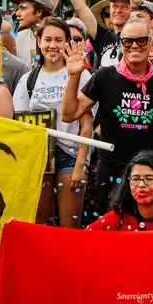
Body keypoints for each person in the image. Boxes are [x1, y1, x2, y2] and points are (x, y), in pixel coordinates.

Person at [60, 19, 153, 215]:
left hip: (149, 173)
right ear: (120, 44)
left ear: (151, 44)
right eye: (128, 41)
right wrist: (74, 76)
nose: (134, 46)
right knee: (111, 234)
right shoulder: (104, 76)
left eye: (141, 40)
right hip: (111, 171)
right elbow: (68, 114)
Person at [13, 16, 92, 228]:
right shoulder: (28, 79)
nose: (52, 45)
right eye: (47, 39)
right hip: (39, 156)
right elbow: (20, 124)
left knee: (70, 227)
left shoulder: (80, 75)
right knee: (40, 223)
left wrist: (81, 165)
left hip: (71, 155)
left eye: (59, 40)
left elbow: (86, 124)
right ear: (38, 41)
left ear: (67, 42)